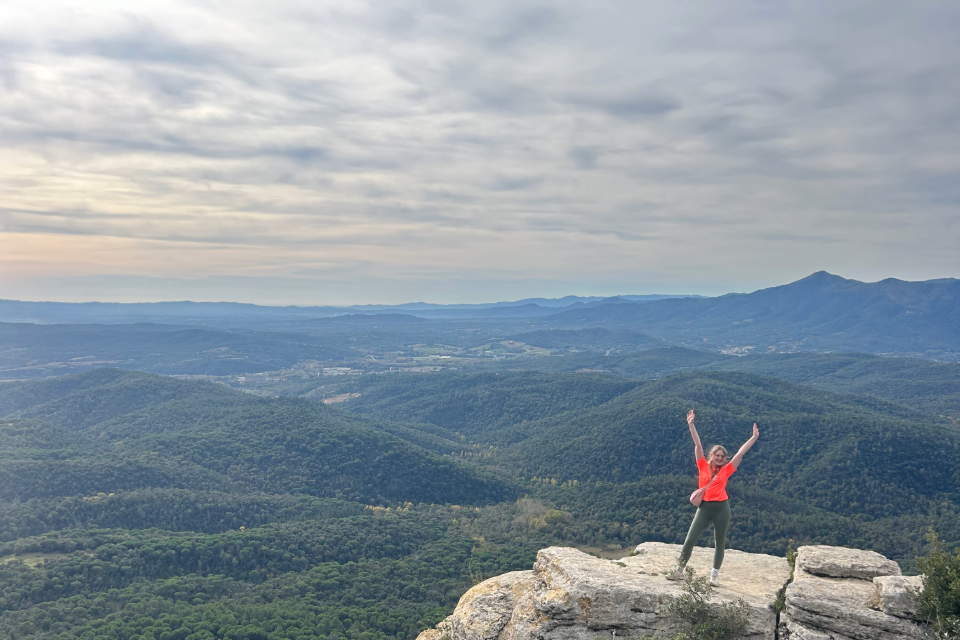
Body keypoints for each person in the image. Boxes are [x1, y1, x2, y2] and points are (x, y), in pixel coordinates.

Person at [667, 409, 759, 586]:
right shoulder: (702, 465)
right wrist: (691, 425)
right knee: (690, 539)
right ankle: (679, 571)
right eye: (717, 455)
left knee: (719, 543)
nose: (719, 458)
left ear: (725, 459)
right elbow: (698, 446)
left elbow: (740, 453)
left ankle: (714, 577)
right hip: (705, 508)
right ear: (711, 456)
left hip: (722, 509)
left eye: (722, 456)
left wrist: (753, 438)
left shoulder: (726, 470)